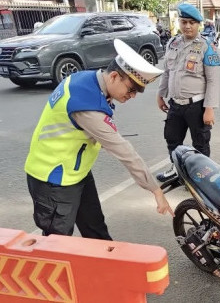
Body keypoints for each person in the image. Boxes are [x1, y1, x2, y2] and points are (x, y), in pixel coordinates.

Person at [25, 39, 174, 239]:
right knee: (57, 242)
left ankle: (104, 269)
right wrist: (155, 190)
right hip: (53, 178)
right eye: (131, 89)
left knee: (96, 231)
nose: (132, 96)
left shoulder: (85, 79)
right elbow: (124, 152)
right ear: (114, 76)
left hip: (76, 172)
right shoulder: (87, 105)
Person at [156, 3, 220, 182]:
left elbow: (213, 81)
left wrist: (209, 108)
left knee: (200, 143)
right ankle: (177, 171)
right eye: (184, 22)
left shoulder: (207, 47)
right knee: (172, 140)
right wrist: (160, 95)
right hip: (175, 104)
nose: (187, 26)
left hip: (197, 105)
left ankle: (202, 177)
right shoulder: (173, 43)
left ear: (198, 24)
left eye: (192, 22)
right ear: (179, 22)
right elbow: (167, 72)